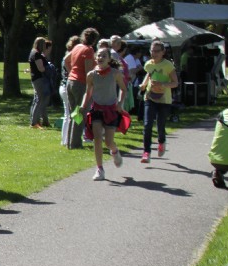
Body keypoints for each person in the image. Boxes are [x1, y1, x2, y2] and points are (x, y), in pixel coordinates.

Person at [81, 46, 128, 181]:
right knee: (97, 138)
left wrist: (120, 103)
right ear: (95, 58)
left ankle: (115, 151)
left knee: (108, 141)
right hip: (96, 109)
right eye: (99, 55)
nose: (101, 58)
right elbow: (88, 92)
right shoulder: (91, 75)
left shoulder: (115, 73)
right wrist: (83, 106)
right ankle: (99, 169)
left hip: (111, 110)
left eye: (104, 56)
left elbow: (123, 89)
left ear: (109, 59)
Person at [138, 40, 178, 163]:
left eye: (157, 51)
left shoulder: (168, 65)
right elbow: (149, 74)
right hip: (149, 97)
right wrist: (144, 84)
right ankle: (146, 152)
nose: (154, 53)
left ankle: (161, 141)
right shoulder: (148, 64)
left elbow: (175, 83)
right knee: (147, 125)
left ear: (163, 52)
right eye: (152, 51)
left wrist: (162, 84)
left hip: (164, 99)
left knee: (160, 125)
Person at [64, 27, 99, 149]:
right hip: (81, 84)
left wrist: (71, 72)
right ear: (94, 40)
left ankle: (69, 142)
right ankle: (75, 143)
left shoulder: (77, 47)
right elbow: (88, 72)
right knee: (80, 114)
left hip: (70, 82)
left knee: (73, 113)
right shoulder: (88, 50)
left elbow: (66, 60)